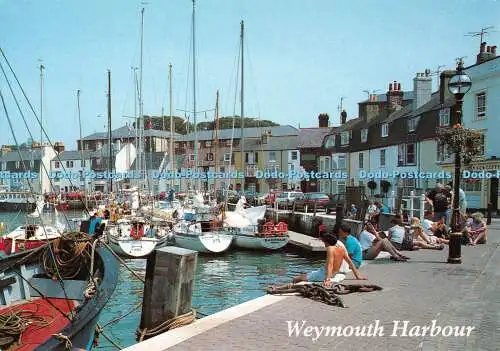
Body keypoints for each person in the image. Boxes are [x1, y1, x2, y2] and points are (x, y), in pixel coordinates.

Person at [292, 231, 366, 284]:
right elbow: (350, 262)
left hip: (324, 274)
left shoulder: (330, 248)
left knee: (297, 278)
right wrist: (357, 276)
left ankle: (291, 285)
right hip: (335, 273)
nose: (324, 245)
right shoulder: (341, 249)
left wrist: (328, 279)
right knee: (307, 274)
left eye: (324, 242)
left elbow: (330, 265)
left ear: (327, 242)